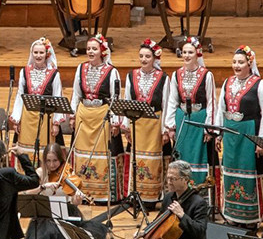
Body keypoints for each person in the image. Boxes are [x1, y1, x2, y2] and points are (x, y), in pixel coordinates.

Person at [18, 143, 108, 239]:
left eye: (55, 161)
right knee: (38, 238)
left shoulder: (68, 174)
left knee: (51, 234)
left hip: (65, 215)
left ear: (61, 160)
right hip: (44, 215)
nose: (52, 165)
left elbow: (73, 201)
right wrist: (43, 187)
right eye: (48, 161)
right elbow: (26, 193)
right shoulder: (39, 173)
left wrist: (77, 200)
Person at [214, 46, 263, 227]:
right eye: (234, 62)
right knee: (230, 172)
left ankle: (251, 218)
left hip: (249, 135)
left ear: (249, 64)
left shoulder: (261, 85)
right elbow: (221, 109)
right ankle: (232, 215)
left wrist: (261, 141)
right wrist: (218, 133)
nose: (236, 66)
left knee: (250, 173)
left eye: (240, 62)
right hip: (231, 135)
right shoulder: (227, 82)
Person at [69, 34, 124, 198]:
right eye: (88, 49)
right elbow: (76, 94)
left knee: (103, 154)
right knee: (82, 153)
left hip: (102, 117)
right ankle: (81, 191)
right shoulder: (81, 68)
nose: (90, 52)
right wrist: (72, 115)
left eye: (94, 49)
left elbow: (115, 98)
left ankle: (103, 193)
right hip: (84, 116)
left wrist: (115, 121)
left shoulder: (112, 72)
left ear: (102, 51)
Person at [121, 39, 172, 209]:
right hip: (137, 124)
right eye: (141, 56)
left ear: (154, 58)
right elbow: (127, 100)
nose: (143, 59)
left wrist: (165, 130)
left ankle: (152, 197)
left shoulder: (163, 78)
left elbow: (166, 104)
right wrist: (126, 126)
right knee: (136, 158)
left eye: (147, 56)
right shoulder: (131, 76)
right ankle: (136, 195)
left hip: (155, 125)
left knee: (154, 160)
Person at [163, 36, 215, 185]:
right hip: (182, 120)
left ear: (197, 54)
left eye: (190, 52)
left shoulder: (207, 75)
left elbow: (211, 102)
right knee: (181, 155)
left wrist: (208, 128)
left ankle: (198, 188)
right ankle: (180, 188)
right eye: (184, 52)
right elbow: (172, 100)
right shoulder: (176, 74)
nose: (186, 55)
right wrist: (170, 126)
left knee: (198, 155)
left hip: (199, 122)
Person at [8, 37, 64, 167]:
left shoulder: (54, 74)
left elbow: (57, 96)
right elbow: (20, 96)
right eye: (36, 52)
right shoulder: (24, 71)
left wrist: (56, 123)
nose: (38, 55)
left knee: (45, 151)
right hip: (27, 119)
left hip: (46, 119)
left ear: (47, 54)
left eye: (41, 52)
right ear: (32, 53)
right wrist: (17, 120)